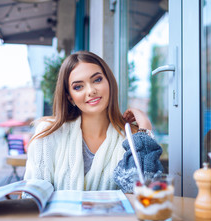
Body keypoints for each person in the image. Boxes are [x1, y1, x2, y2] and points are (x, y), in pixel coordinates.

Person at [24, 51, 163, 193]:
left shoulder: (134, 138)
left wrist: (145, 129)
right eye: (78, 87)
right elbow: (33, 196)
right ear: (70, 98)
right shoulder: (48, 133)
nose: (91, 91)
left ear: (109, 82)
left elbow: (146, 193)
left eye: (97, 80)